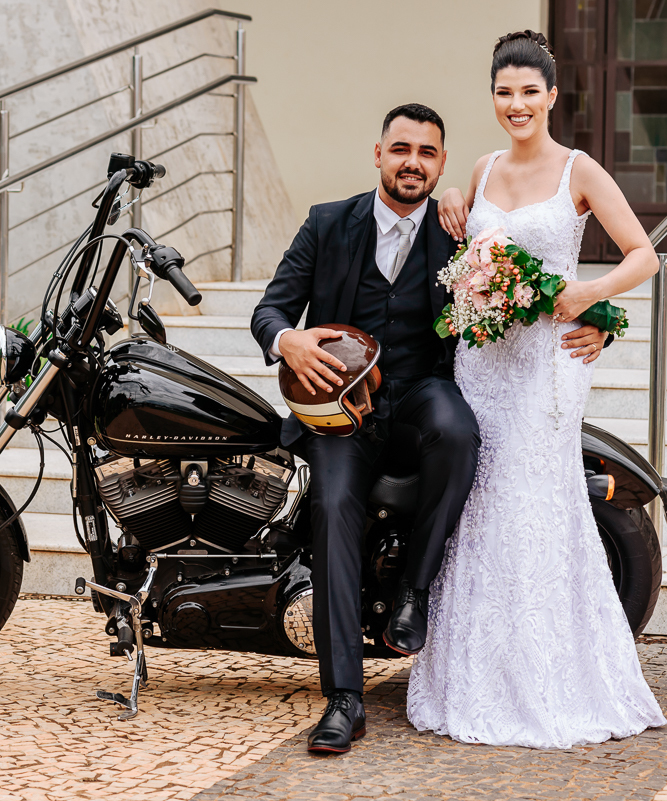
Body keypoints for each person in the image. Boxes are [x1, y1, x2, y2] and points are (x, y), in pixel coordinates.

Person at [250, 103, 611, 754]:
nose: (412, 162)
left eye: (427, 152)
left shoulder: (461, 231)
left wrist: (600, 320)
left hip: (422, 391)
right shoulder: (328, 223)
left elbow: (536, 285)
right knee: (332, 506)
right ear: (379, 154)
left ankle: (415, 589)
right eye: (401, 149)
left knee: (460, 432)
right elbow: (271, 307)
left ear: (442, 163)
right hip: (341, 413)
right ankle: (344, 699)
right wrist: (289, 339)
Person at [405, 31, 667, 749]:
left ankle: (549, 679)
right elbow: (460, 241)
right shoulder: (483, 167)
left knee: (533, 505)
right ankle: (471, 676)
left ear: (552, 96)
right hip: (480, 366)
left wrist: (591, 298)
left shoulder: (579, 170)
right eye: (503, 92)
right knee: (480, 506)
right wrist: (455, 193)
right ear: (492, 97)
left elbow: (644, 253)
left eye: (528, 92)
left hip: (546, 371)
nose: (515, 104)